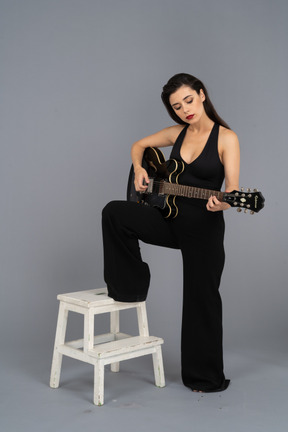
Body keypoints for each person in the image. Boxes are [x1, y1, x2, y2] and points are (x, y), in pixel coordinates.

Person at [102, 73, 240, 393]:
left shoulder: (226, 138)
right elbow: (139, 146)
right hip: (169, 219)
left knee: (200, 300)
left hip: (203, 231)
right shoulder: (176, 134)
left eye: (188, 101)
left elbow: (232, 188)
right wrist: (139, 168)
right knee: (114, 212)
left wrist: (225, 202)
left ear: (202, 95)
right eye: (177, 107)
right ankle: (129, 286)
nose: (184, 110)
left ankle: (204, 378)